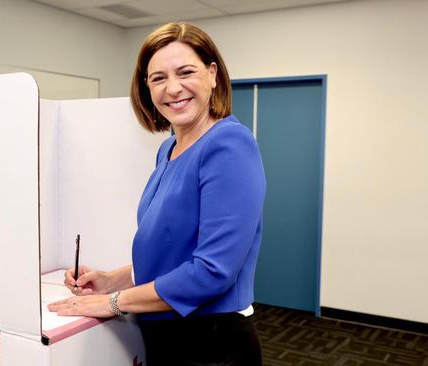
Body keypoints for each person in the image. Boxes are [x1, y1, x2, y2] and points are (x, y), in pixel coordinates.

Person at [48, 22, 266, 365]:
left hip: (211, 344)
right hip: (165, 336)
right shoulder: (168, 149)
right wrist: (110, 280)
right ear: (146, 87)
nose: (173, 88)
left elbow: (212, 271)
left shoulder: (228, 145)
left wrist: (114, 301)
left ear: (213, 74)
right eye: (159, 78)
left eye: (185, 72)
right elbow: (172, 250)